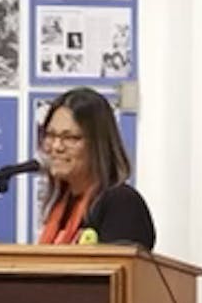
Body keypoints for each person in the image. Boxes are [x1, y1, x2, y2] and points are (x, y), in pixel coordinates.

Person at [37, 87, 155, 250]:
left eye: (70, 137)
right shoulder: (62, 205)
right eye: (50, 135)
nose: (56, 146)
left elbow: (118, 272)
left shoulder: (121, 203)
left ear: (98, 144)